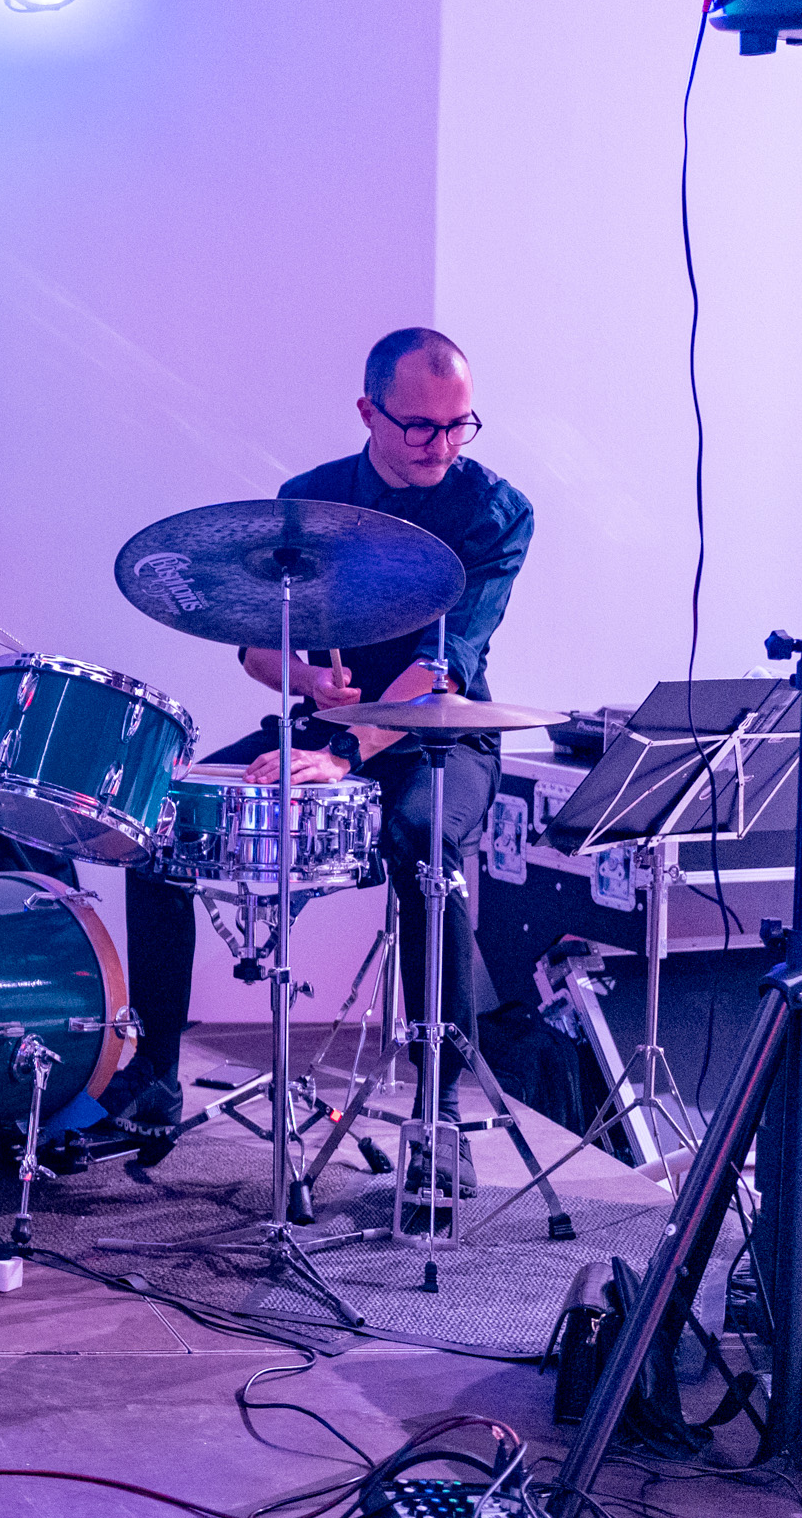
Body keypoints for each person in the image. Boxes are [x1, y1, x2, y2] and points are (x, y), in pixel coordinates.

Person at [92, 328, 534, 1198]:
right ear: (368, 411)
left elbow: (441, 665)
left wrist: (340, 749)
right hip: (324, 730)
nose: (441, 445)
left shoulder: (493, 511)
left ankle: (438, 1111)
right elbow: (256, 646)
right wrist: (308, 680)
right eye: (419, 426)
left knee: (424, 846)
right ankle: (152, 1074)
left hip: (438, 739)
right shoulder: (308, 501)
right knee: (161, 822)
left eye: (458, 425)